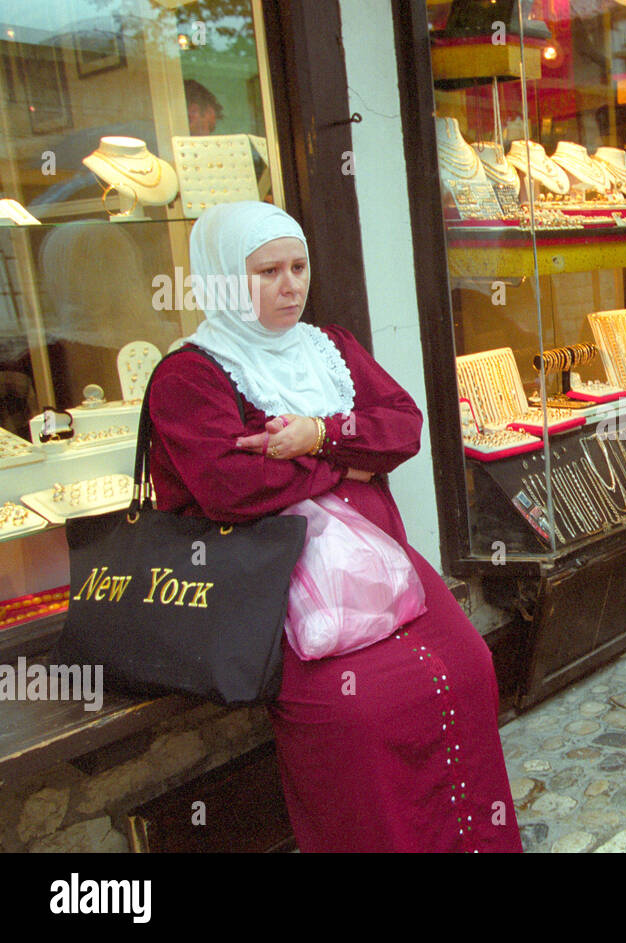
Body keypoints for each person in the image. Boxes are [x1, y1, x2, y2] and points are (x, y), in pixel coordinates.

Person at [146, 201, 522, 852]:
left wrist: (318, 435)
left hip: (378, 561)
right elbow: (231, 487)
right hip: (276, 583)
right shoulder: (189, 375)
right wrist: (348, 467)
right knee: (362, 713)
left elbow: (402, 427)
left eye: (298, 266)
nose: (291, 285)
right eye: (267, 272)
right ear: (223, 279)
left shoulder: (330, 348)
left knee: (465, 666)